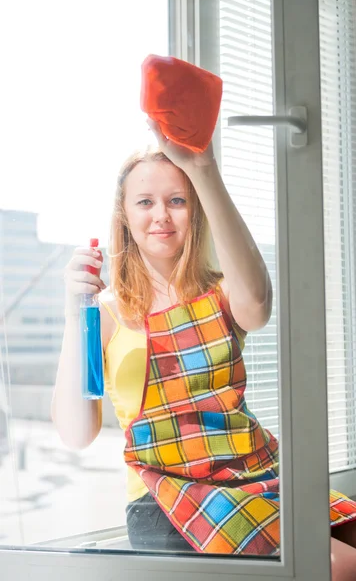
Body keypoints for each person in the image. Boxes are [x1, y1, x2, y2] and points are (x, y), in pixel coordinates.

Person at [52, 118, 356, 578]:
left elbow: (258, 304)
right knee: (336, 566)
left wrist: (203, 168)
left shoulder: (223, 293)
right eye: (145, 202)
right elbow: (77, 434)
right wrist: (77, 313)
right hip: (168, 497)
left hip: (254, 476)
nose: (161, 215)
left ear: (196, 209)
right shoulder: (105, 314)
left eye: (177, 200)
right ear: (124, 215)